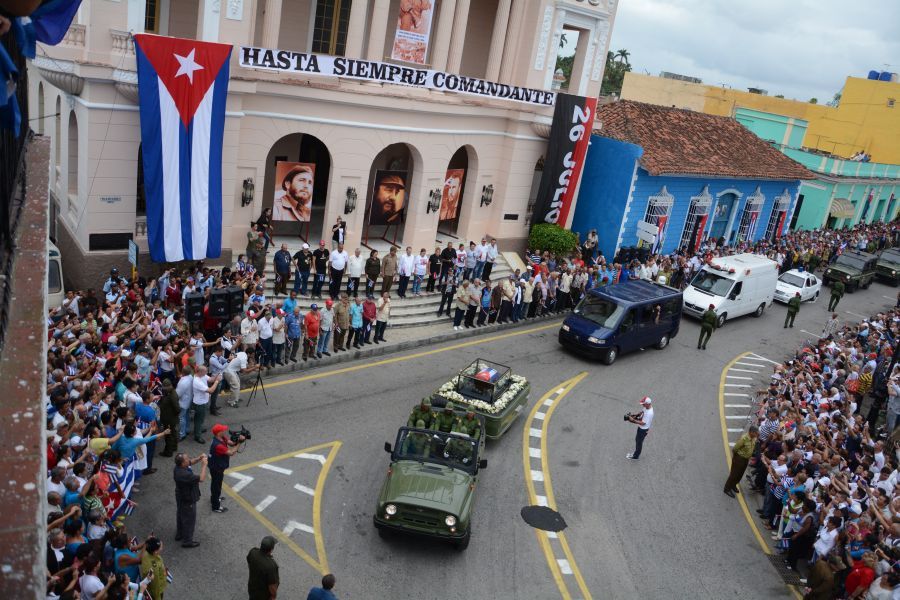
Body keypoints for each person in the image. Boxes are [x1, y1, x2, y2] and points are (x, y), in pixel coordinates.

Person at [209, 423, 245, 513]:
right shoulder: (217, 445)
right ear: (218, 433)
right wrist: (240, 442)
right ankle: (215, 506)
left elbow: (231, 444)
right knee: (216, 485)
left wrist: (237, 439)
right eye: (222, 430)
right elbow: (231, 452)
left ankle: (215, 498)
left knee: (216, 484)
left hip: (217, 466)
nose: (224, 431)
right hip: (216, 468)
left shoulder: (222, 437)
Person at [173, 452, 207, 548]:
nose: (189, 459)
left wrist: (199, 458)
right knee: (189, 519)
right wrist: (204, 465)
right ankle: (187, 541)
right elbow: (202, 478)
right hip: (188, 498)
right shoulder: (184, 474)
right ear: (183, 463)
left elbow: (190, 462)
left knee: (180, 514)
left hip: (180, 495)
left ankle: (179, 533)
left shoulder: (178, 468)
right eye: (187, 459)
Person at [724, 426, 758, 497]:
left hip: (746, 459)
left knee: (740, 474)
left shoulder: (754, 438)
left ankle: (733, 485)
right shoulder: (744, 438)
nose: (756, 434)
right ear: (751, 432)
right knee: (734, 474)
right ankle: (727, 488)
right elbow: (735, 448)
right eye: (755, 433)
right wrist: (736, 458)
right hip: (739, 458)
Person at [191, 365, 221, 444]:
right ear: (200, 372)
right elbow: (211, 390)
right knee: (198, 420)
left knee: (201, 418)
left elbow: (210, 379)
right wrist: (217, 381)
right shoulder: (197, 381)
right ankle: (197, 436)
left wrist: (216, 376)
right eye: (205, 372)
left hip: (203, 401)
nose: (207, 373)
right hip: (199, 403)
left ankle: (199, 429)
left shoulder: (202, 375)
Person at [247, 536, 280, 600]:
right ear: (271, 549)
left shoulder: (253, 552)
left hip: (252, 588)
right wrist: (273, 596)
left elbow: (249, 564)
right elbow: (272, 586)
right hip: (263, 596)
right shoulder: (271, 566)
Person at [157, 379, 181, 457]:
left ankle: (168, 452)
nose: (163, 389)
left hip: (170, 420)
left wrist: (172, 416)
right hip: (170, 419)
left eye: (165, 387)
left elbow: (177, 409)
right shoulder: (169, 393)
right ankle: (174, 447)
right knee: (173, 434)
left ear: (169, 386)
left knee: (168, 436)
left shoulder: (172, 395)